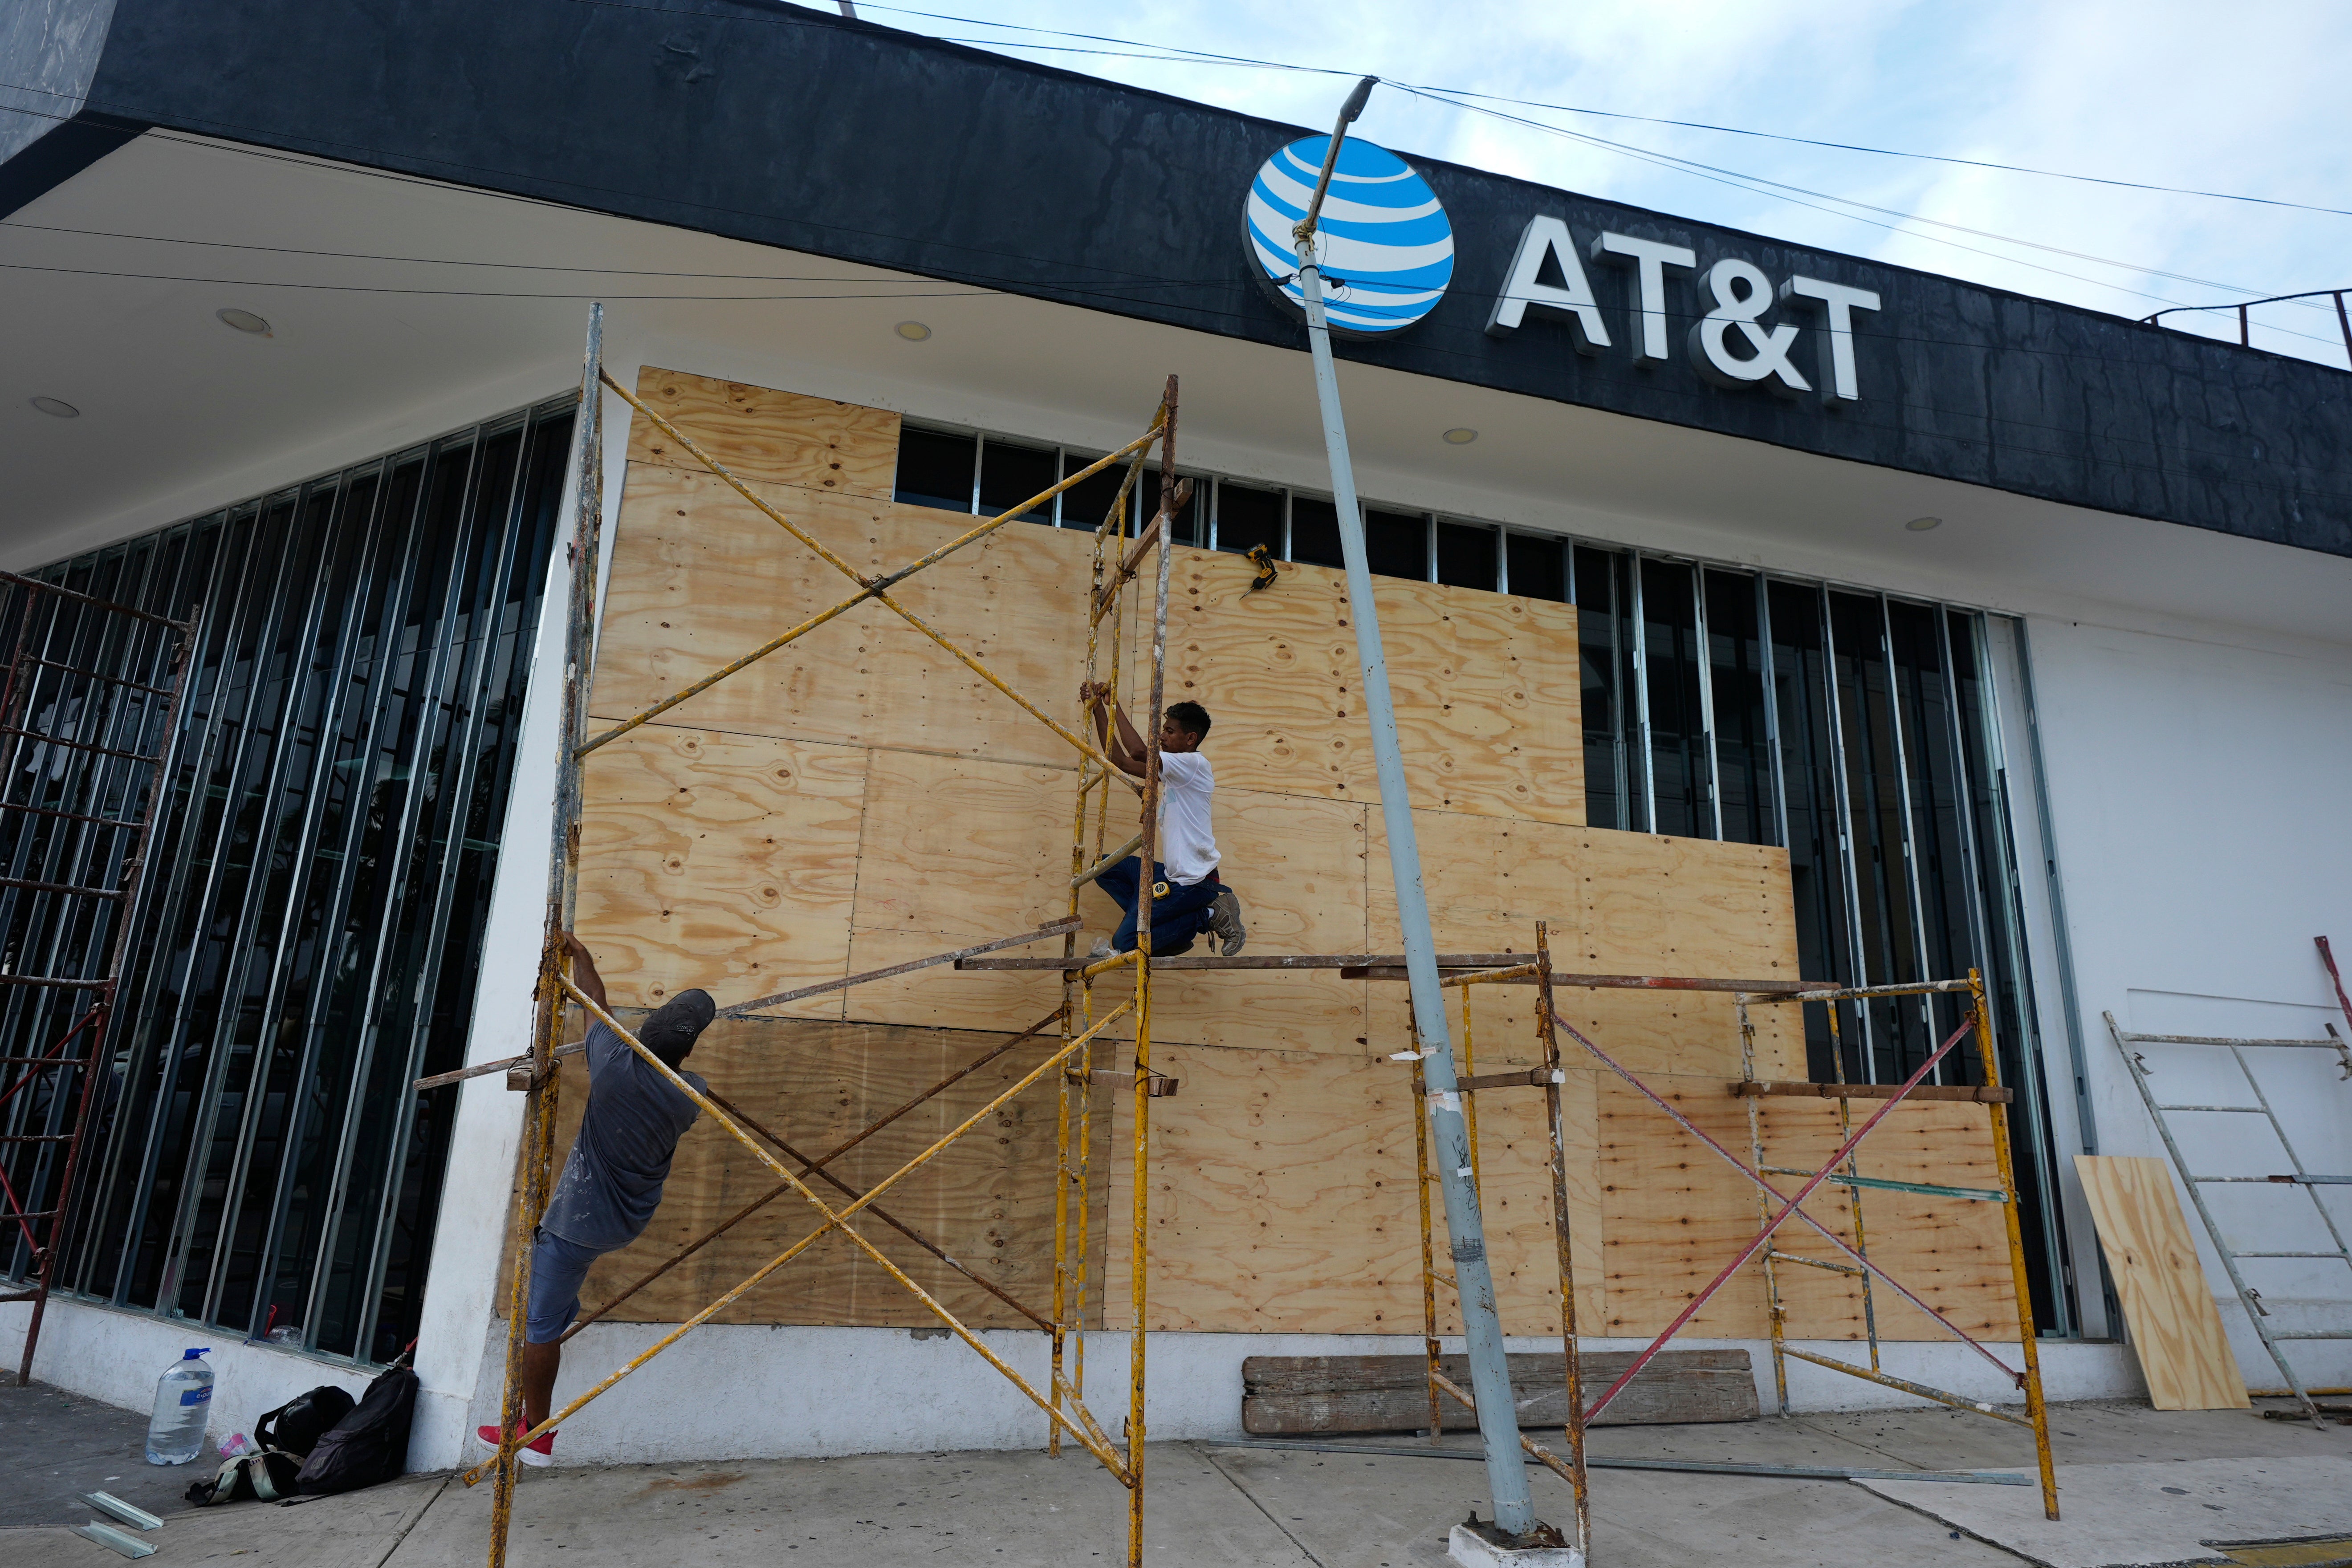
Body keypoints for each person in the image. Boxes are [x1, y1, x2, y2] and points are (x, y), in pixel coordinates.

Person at [477, 934, 714, 1466]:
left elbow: (593, 1005)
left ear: (639, 1037)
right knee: (555, 1308)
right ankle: (540, 1378)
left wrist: (579, 957)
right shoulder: (691, 1094)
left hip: (576, 1224)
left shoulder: (613, 1064)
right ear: (690, 1051)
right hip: (626, 1223)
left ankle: (537, 1432)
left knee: (538, 1328)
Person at [1079, 683, 1245, 958]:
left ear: (1191, 738)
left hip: (1195, 881)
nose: (1161, 736)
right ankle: (1169, 929)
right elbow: (1117, 759)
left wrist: (1115, 705)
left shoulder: (1194, 765)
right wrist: (1098, 707)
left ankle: (1208, 913)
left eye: (1169, 731)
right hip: (1172, 876)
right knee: (1104, 869)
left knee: (1125, 943)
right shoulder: (1172, 774)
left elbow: (1138, 753)